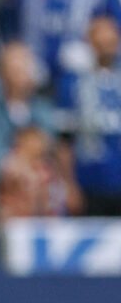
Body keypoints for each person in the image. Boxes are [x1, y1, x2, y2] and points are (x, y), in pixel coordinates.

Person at [57, 16, 121, 215]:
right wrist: (69, 184)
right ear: (90, 42)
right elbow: (64, 141)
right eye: (100, 41)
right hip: (89, 182)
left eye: (110, 41)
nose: (106, 46)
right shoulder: (72, 83)